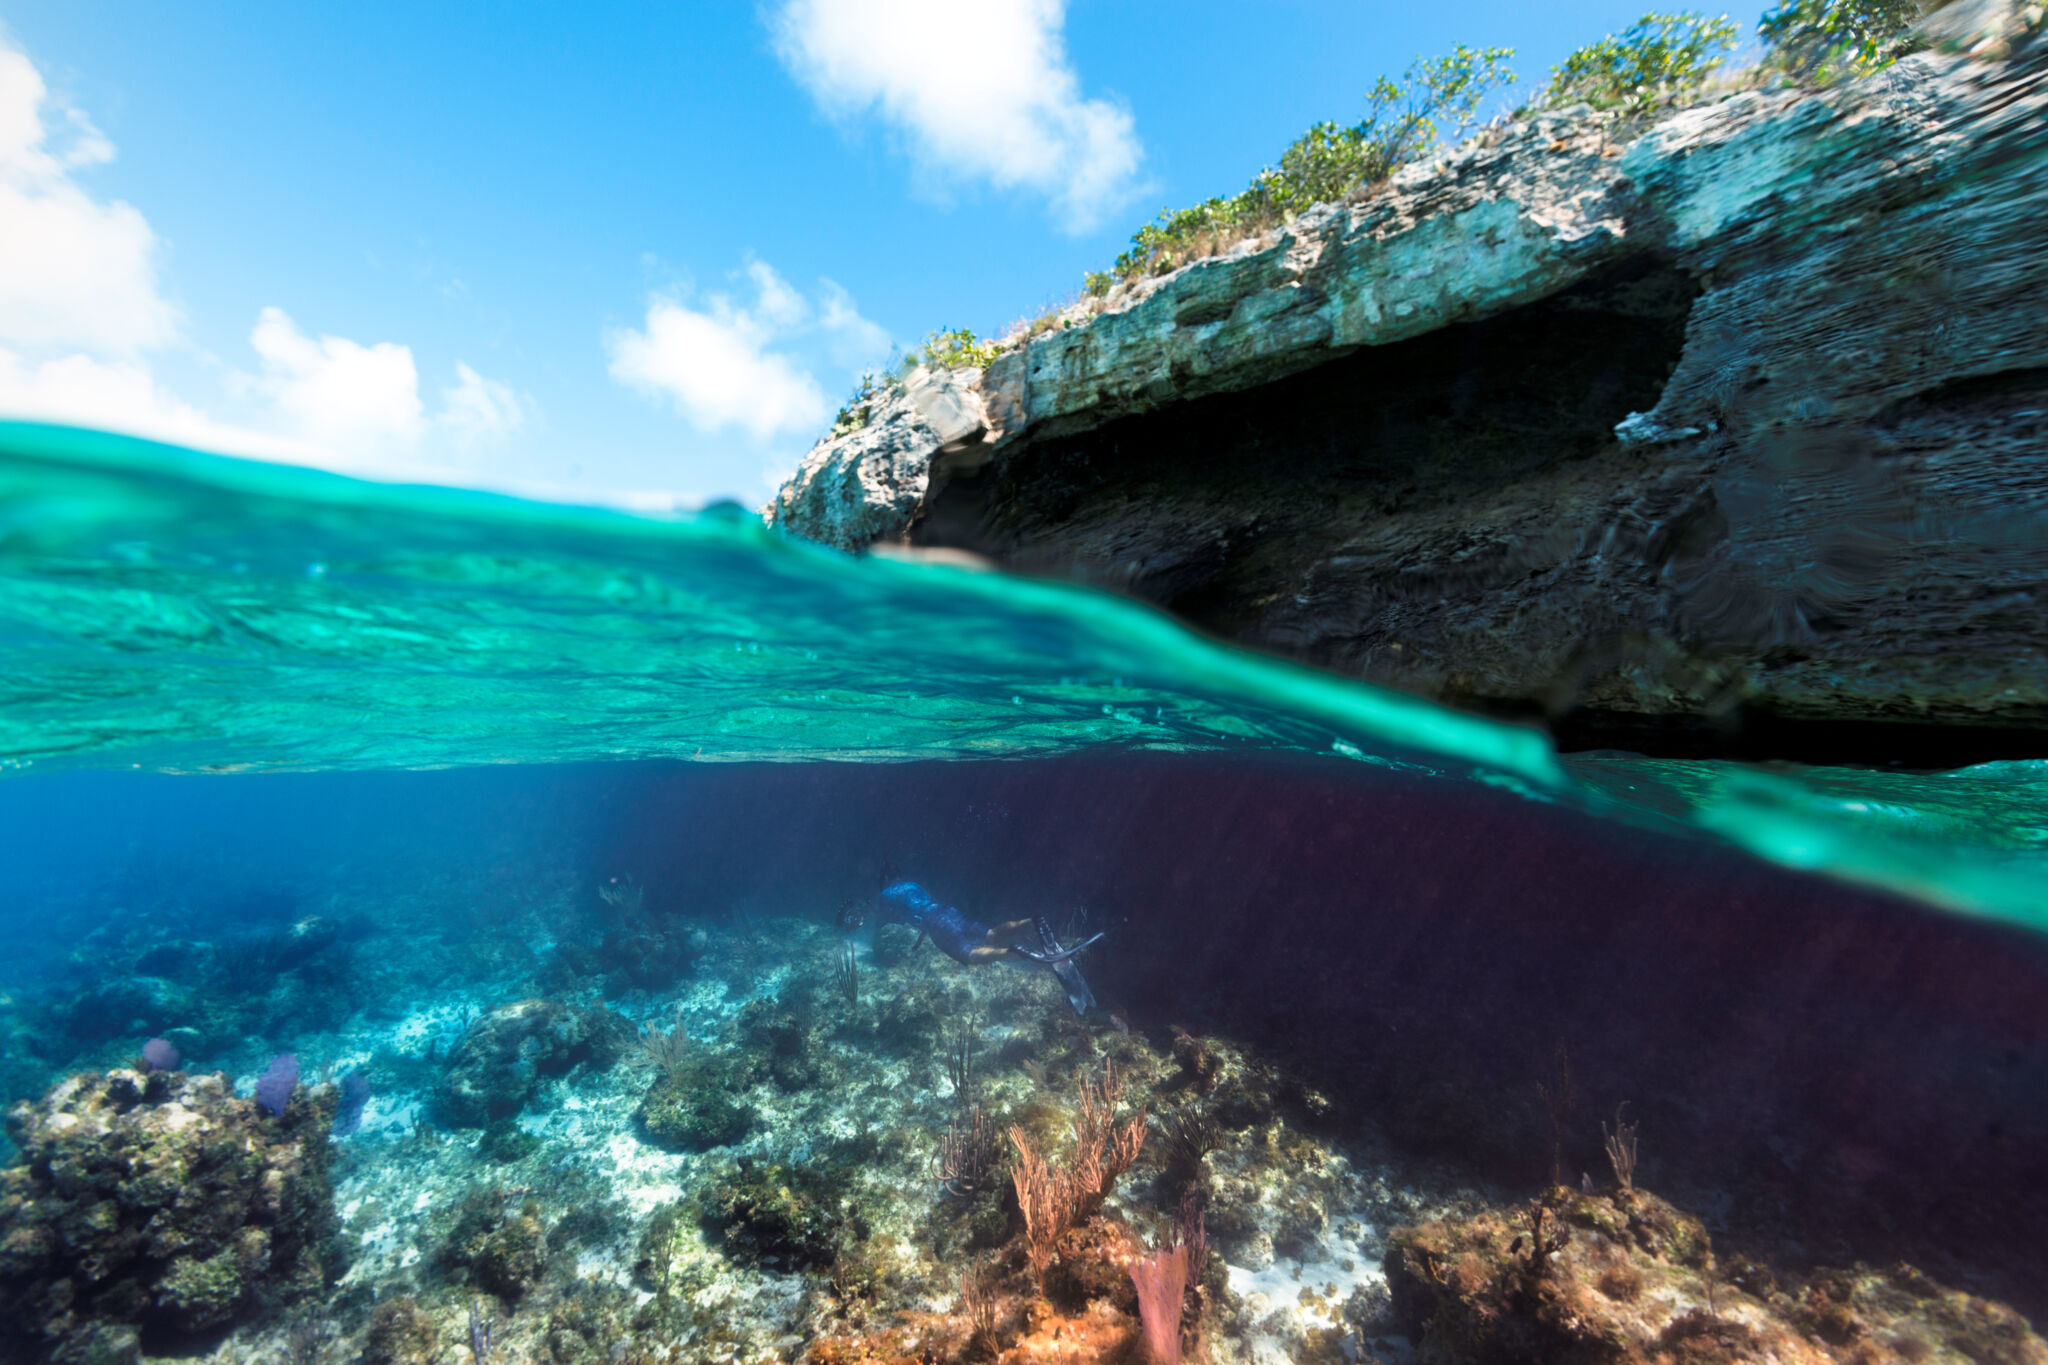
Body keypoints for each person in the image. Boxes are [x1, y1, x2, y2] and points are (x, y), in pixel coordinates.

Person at [839, 880, 1102, 1015]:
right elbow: (917, 908)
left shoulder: (884, 901)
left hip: (936, 924)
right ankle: (1032, 922)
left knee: (970, 955)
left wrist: (877, 922)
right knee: (989, 934)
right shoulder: (908, 885)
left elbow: (892, 923)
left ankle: (1018, 953)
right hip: (947, 911)